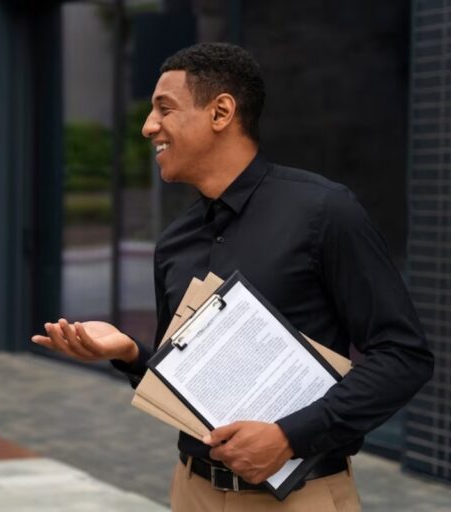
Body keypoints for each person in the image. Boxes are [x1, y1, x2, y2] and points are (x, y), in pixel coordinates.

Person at [32, 42, 433, 511]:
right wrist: (130, 354)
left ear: (221, 111)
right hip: (192, 491)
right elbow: (189, 381)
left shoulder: (324, 211)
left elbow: (404, 356)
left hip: (300, 498)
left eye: (164, 109)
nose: (147, 127)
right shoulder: (176, 242)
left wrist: (289, 436)